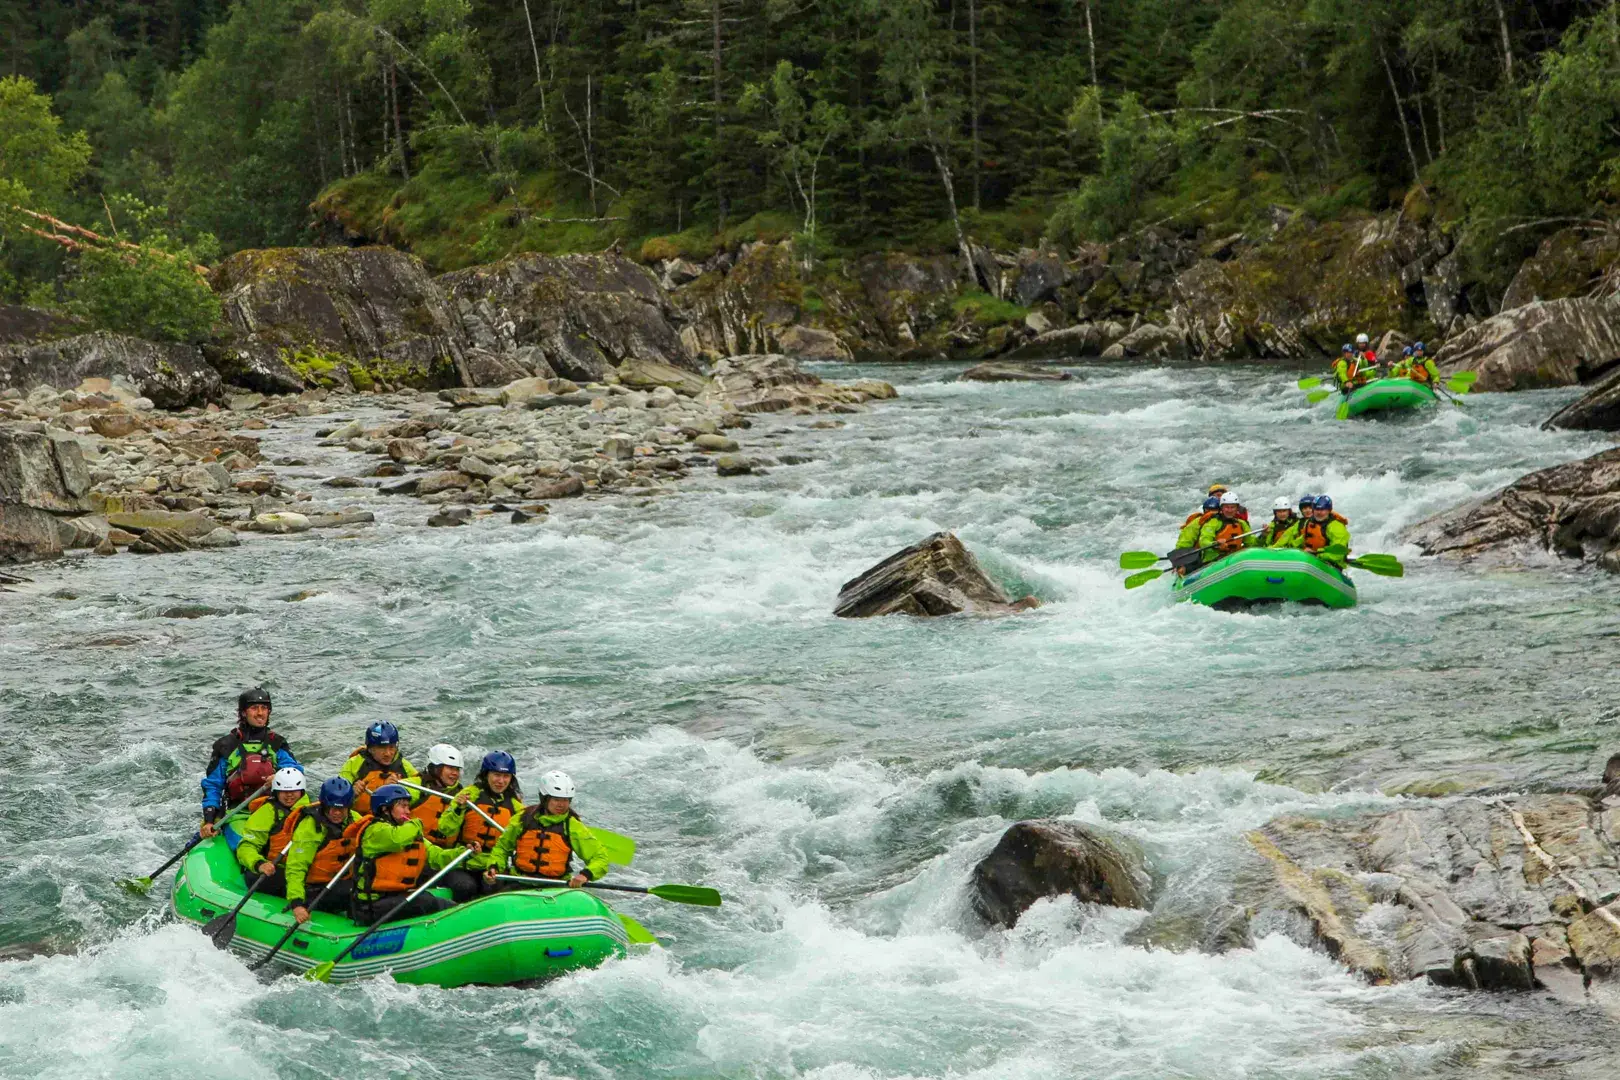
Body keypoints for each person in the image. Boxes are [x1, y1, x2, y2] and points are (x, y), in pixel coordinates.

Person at [351, 784, 471, 925]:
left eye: (408, 807)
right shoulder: (375, 830)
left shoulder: (409, 831)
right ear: (385, 809)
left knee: (435, 900)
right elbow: (396, 839)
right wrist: (416, 824)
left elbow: (437, 857)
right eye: (402, 806)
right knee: (425, 901)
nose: (408, 811)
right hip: (370, 905)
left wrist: (464, 853)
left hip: (395, 897)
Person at [481, 771, 608, 892]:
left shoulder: (573, 826)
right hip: (520, 882)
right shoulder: (523, 819)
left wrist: (585, 875)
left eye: (566, 800)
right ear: (545, 798)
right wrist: (494, 867)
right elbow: (502, 848)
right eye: (556, 799)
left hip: (555, 886)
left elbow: (599, 857)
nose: (561, 805)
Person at [200, 687, 300, 839]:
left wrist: (280, 776)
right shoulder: (227, 746)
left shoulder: (276, 743)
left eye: (264, 708)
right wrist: (209, 820)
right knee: (243, 843)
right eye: (254, 708)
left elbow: (294, 771)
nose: (260, 713)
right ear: (243, 713)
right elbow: (213, 785)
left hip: (274, 809)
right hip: (237, 813)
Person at [435, 751, 524, 902]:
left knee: (495, 888)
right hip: (463, 862)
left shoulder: (515, 806)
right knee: (465, 886)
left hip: (493, 866)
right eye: (496, 775)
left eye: (506, 776)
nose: (501, 781)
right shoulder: (470, 795)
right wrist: (458, 809)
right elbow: (445, 828)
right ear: (486, 774)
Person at [285, 777, 364, 923]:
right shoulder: (310, 827)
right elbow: (296, 867)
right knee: (352, 893)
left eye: (342, 809)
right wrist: (297, 903)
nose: (337, 813)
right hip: (315, 890)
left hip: (343, 882)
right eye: (332, 808)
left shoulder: (356, 820)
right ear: (324, 805)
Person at [234, 767, 309, 895]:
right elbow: (246, 846)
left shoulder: (311, 812)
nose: (289, 795)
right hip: (274, 870)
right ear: (276, 792)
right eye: (284, 791)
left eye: (293, 791)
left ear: (301, 791)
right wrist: (259, 864)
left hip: (300, 870)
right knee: (260, 878)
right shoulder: (266, 812)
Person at [338, 721, 421, 816]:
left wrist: (396, 789)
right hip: (362, 818)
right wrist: (352, 793)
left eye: (392, 747)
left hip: (394, 818)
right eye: (382, 748)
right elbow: (337, 798)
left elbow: (422, 789)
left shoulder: (404, 766)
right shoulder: (353, 764)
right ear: (370, 748)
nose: (388, 753)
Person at [410, 744, 468, 839]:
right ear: (436, 768)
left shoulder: (461, 793)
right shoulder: (415, 785)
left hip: (445, 851)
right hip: (415, 844)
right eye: (450, 767)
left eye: (457, 769)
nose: (455, 773)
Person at [1197, 492, 1253, 563]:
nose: (1229, 510)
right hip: (1213, 562)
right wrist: (1216, 544)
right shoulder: (1212, 522)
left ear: (1236, 509)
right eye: (1226, 507)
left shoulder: (1242, 523)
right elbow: (1203, 541)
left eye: (1232, 507)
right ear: (1222, 508)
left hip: (1235, 559)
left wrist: (1263, 536)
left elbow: (1251, 543)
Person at [1299, 494, 1351, 566]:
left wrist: (1316, 554)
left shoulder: (1336, 527)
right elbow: (1301, 540)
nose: (1319, 512)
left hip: (1331, 565)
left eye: (1322, 509)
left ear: (1329, 510)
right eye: (1317, 509)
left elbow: (1337, 554)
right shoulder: (1309, 522)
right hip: (1311, 560)